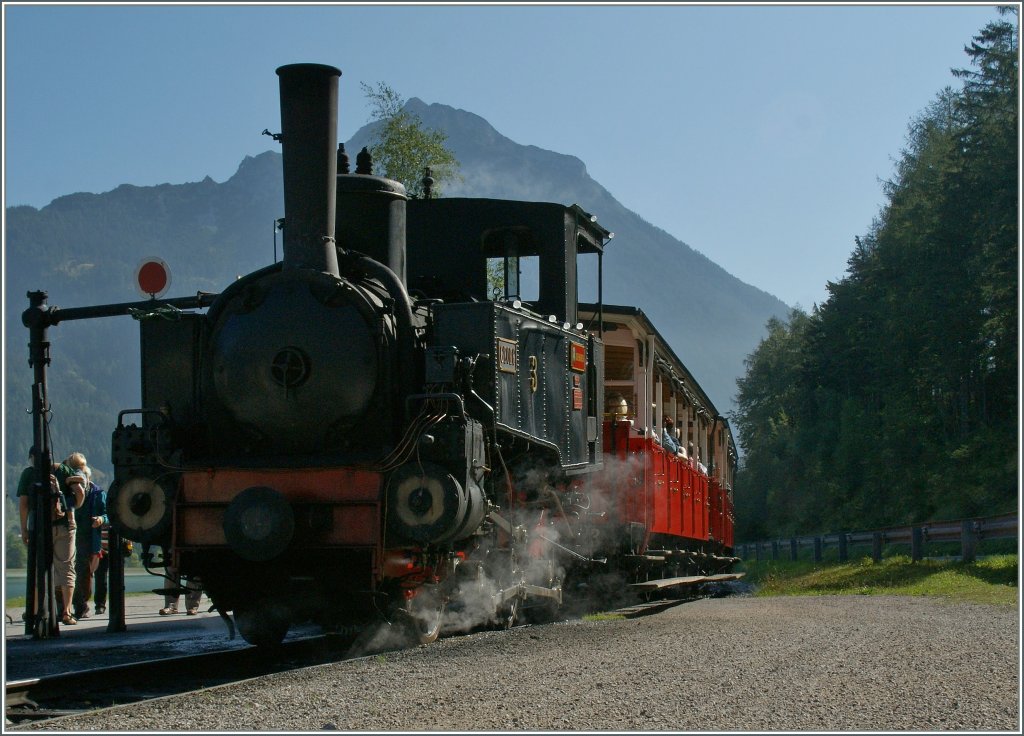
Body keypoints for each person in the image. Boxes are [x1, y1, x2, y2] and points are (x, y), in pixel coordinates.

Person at [52, 453, 88, 625]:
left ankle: (43, 609)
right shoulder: (75, 474)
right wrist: (76, 504)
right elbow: (80, 492)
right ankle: (67, 611)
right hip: (67, 523)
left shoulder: (36, 472)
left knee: (50, 568)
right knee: (68, 567)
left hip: (46, 524)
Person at [72, 466, 108, 619]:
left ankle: (84, 604)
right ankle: (79, 606)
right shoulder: (70, 492)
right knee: (76, 573)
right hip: (74, 537)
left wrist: (101, 519)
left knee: (86, 575)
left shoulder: (98, 494)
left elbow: (108, 514)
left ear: (88, 479)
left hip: (92, 539)